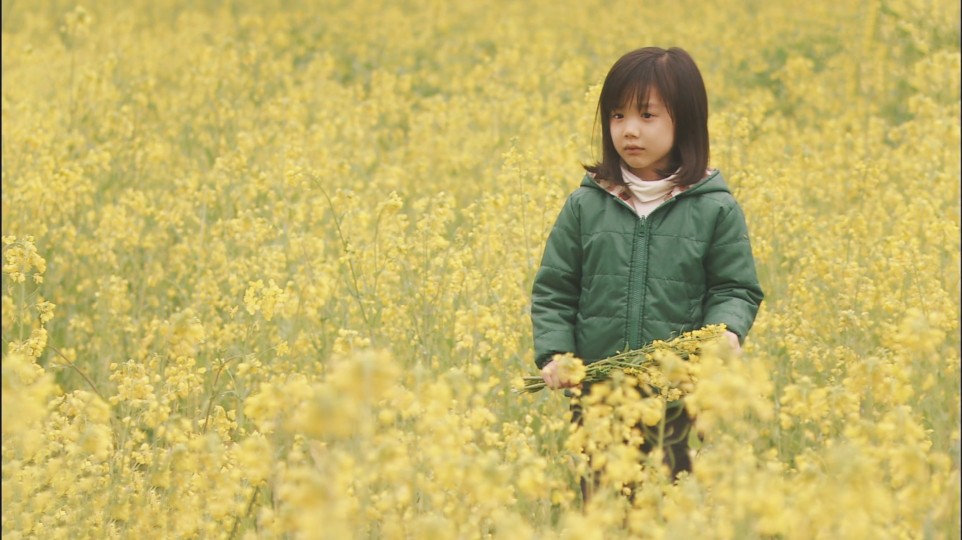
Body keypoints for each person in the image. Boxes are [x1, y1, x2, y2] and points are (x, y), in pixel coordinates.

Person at [530, 47, 764, 494]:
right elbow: (555, 289)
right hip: (597, 395)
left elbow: (735, 287)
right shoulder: (585, 204)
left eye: (647, 115)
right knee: (601, 508)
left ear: (686, 122)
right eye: (617, 116)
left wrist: (726, 332)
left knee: (668, 508)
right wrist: (555, 353)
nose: (629, 130)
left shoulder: (715, 208)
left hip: (677, 401)